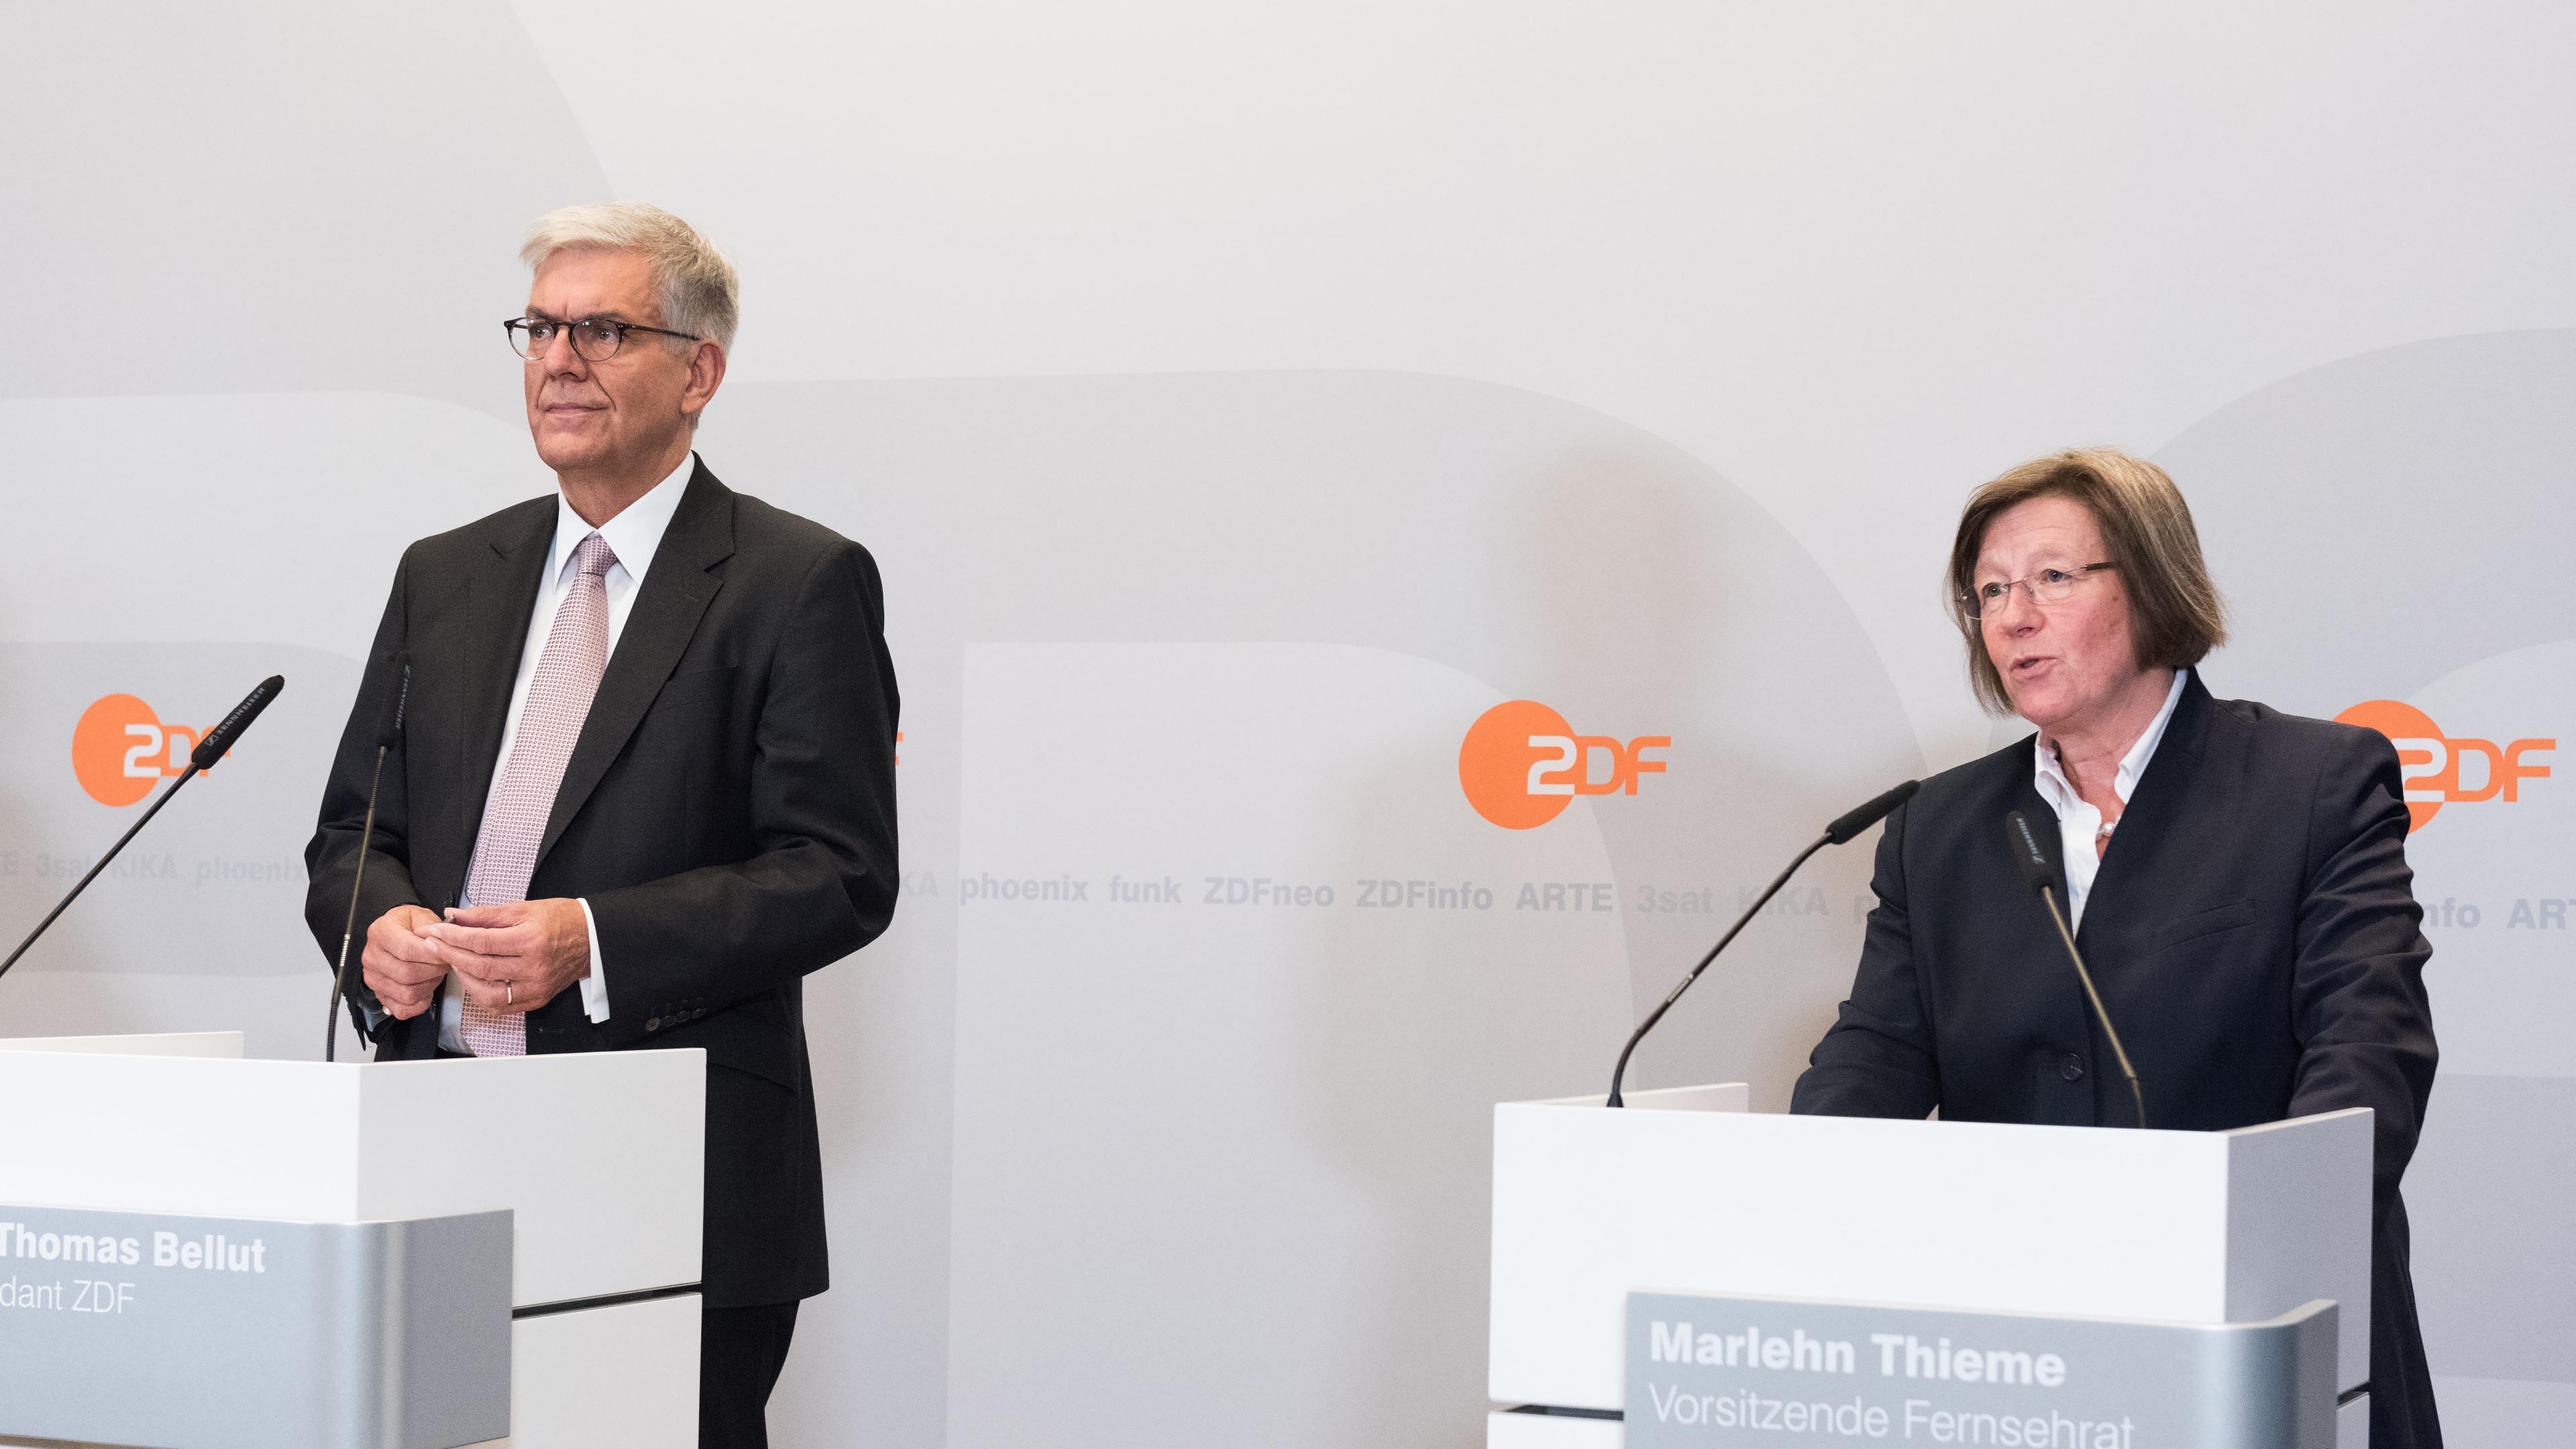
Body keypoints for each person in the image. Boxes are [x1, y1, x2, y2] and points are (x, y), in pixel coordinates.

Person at [303, 202, 899, 1449]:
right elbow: (355, 833)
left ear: (700, 373)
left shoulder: (796, 580)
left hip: (668, 1170)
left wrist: (592, 940)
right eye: (540, 329)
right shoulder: (443, 574)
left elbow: (838, 872)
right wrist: (383, 930)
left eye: (604, 331)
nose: (559, 360)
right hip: (435, 1154)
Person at [1791, 448, 2440, 1449]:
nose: (2013, 618)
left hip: (2262, 1335)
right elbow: (1877, 1053)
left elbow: (2368, 1049)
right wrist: (1790, 1195)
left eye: (2052, 577)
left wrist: (2271, 1234)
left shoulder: (2311, 784)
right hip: (2019, 1352)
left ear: (2151, 583)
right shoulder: (1939, 827)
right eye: (1990, 592)